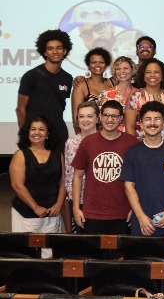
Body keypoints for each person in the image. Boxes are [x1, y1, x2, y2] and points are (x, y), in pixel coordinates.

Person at [121, 101, 164, 237]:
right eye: (148, 119)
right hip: (143, 224)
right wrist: (140, 217)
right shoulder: (132, 152)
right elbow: (129, 188)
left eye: (157, 119)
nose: (152, 123)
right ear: (141, 124)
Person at [71, 100, 138, 234]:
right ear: (100, 117)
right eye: (106, 115)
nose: (110, 119)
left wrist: (135, 208)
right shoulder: (88, 142)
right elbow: (77, 177)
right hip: (92, 213)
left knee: (121, 255)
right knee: (94, 255)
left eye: (114, 116)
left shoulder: (131, 142)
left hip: (123, 213)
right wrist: (76, 208)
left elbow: (139, 177)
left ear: (121, 119)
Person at [16, 30, 73, 150]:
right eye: (50, 48)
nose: (55, 51)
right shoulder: (31, 76)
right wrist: (26, 135)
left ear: (65, 51)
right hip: (37, 136)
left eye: (59, 48)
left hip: (58, 134)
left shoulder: (68, 78)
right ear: (45, 52)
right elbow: (20, 109)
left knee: (59, 168)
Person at [10, 116, 66, 234]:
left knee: (50, 251)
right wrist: (36, 208)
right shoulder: (20, 155)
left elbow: (63, 181)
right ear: (28, 133)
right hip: (26, 215)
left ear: (47, 134)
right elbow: (17, 185)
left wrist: (58, 204)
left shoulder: (57, 154)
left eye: (41, 129)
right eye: (33, 129)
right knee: (26, 251)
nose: (37, 132)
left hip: (52, 216)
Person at [63, 101, 99, 231]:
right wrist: (75, 204)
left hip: (101, 200)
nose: (85, 120)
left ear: (97, 118)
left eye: (90, 116)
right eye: (81, 116)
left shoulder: (104, 140)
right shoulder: (71, 142)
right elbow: (68, 175)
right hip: (79, 202)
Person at [125, 58, 164, 136]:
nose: (152, 75)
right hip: (141, 144)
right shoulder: (135, 96)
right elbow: (129, 127)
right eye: (148, 72)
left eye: (156, 72)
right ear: (143, 76)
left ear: (162, 76)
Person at [71, 47, 112, 133]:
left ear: (106, 65)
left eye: (101, 62)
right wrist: (82, 140)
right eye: (93, 62)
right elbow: (76, 119)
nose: (97, 65)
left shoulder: (113, 83)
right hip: (89, 135)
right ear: (88, 65)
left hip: (111, 134)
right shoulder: (81, 85)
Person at [97, 57, 137, 127]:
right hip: (113, 135)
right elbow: (100, 120)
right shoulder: (105, 94)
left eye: (126, 68)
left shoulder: (140, 94)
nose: (122, 71)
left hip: (137, 135)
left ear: (132, 70)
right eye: (118, 69)